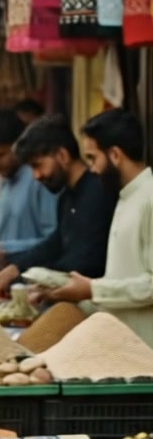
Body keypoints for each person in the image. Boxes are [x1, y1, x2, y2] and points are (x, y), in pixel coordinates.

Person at [43, 110, 153, 346]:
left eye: (93, 158)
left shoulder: (149, 198)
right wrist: (69, 290)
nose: (91, 169)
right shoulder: (125, 197)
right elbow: (122, 281)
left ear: (115, 155)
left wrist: (93, 289)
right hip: (123, 344)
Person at [0, 114, 118, 300]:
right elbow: (55, 243)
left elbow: (86, 261)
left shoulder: (96, 192)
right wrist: (14, 268)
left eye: (38, 165)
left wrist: (34, 279)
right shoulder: (67, 197)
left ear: (62, 156)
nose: (36, 176)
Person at [0, 108, 58, 274]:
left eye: (0, 155)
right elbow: (3, 236)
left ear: (19, 145)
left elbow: (56, 241)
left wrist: (7, 249)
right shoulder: (5, 180)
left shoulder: (40, 178)